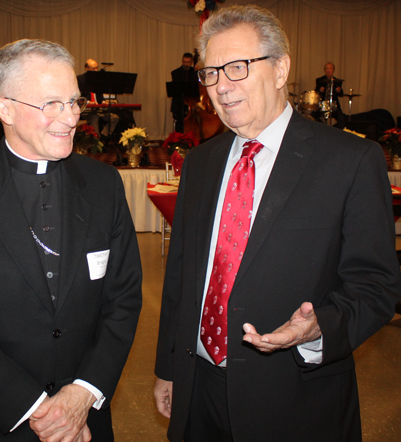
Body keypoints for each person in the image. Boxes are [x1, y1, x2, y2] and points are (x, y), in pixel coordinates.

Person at [153, 6, 401, 442]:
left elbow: (376, 285)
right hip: (198, 389)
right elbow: (181, 280)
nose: (221, 87)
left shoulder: (350, 161)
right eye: (211, 73)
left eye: (237, 68)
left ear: (281, 68)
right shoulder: (201, 164)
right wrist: (168, 369)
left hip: (294, 397)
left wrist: (319, 326)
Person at [0, 39, 142, 442]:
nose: (71, 117)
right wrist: (37, 409)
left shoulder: (103, 185)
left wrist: (83, 393)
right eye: (51, 104)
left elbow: (123, 299)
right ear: (4, 108)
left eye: (74, 102)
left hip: (86, 418)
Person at [77, 59, 119, 137]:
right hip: (87, 110)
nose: (96, 70)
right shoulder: (80, 79)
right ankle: (95, 140)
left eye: (96, 68)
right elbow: (79, 97)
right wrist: (89, 102)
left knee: (114, 118)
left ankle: (103, 135)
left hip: (98, 109)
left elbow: (100, 96)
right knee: (94, 117)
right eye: (93, 68)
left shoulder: (98, 80)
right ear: (87, 68)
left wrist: (103, 101)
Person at [170, 52, 200, 133]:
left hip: (192, 104)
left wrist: (199, 73)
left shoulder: (195, 72)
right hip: (179, 104)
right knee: (180, 123)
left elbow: (200, 85)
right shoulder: (175, 72)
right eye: (184, 62)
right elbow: (178, 87)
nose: (186, 64)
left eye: (188, 62)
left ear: (192, 62)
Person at [315, 62, 346, 128]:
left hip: (333, 105)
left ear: (333, 70)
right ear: (325, 70)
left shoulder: (337, 81)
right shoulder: (320, 80)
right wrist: (320, 90)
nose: (328, 70)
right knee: (314, 115)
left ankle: (334, 130)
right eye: (327, 69)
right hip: (323, 104)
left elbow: (341, 94)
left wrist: (339, 91)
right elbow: (316, 92)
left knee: (342, 118)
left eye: (330, 69)